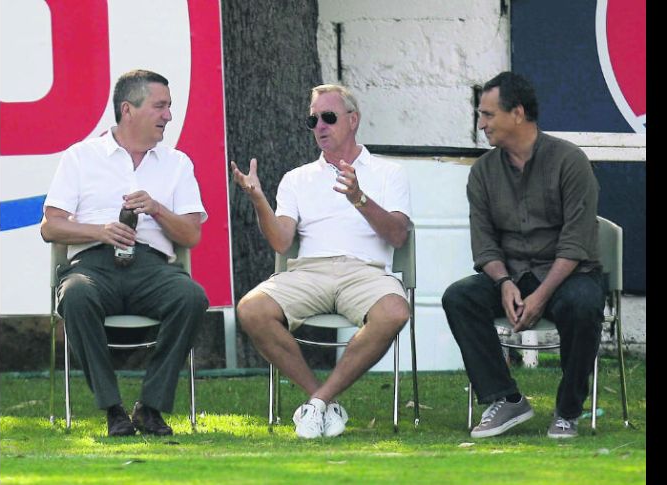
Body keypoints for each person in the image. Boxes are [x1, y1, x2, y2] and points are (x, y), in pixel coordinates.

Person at [231, 84, 412, 439]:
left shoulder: (389, 172)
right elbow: (282, 240)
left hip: (365, 272)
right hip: (309, 271)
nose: (320, 127)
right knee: (251, 309)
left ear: (353, 119)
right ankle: (321, 402)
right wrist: (258, 199)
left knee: (395, 312)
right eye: (312, 120)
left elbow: (398, 236)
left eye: (328, 117)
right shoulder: (296, 178)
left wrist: (360, 198)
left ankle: (318, 403)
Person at [40, 69, 210, 437]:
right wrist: (98, 230)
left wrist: (158, 209)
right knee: (75, 294)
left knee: (191, 296)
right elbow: (50, 226)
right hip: (94, 264)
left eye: (169, 107)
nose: (168, 115)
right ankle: (112, 409)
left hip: (152, 267)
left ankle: (149, 408)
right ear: (128, 109)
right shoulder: (81, 157)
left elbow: (191, 235)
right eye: (160, 106)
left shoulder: (177, 163)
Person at [442, 71, 605, 439]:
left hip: (568, 275)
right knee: (460, 297)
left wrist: (541, 294)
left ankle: (568, 411)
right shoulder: (483, 172)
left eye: (487, 115)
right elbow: (484, 242)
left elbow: (576, 242)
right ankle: (507, 398)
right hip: (511, 275)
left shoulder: (570, 160)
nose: (481, 124)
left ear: (517, 113)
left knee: (583, 304)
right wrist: (502, 282)